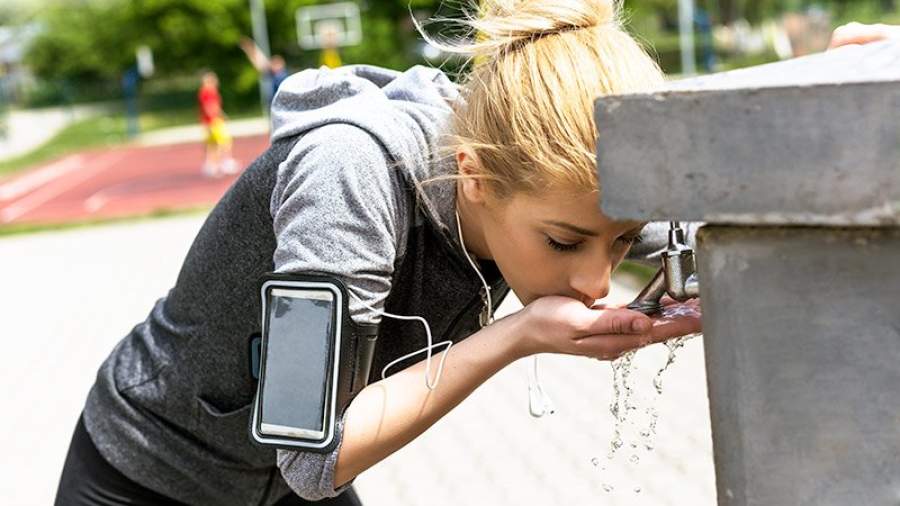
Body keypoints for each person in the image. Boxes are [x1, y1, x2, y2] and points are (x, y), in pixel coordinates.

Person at [53, 2, 893, 505]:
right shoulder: (348, 178)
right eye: (564, 243)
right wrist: (515, 336)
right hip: (149, 479)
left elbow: (708, 220)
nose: (596, 279)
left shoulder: (545, 176)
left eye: (617, 239)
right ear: (473, 174)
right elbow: (312, 455)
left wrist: (828, 99)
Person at [198, 70, 238, 177]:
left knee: (213, 144)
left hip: (210, 121)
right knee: (224, 142)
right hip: (214, 121)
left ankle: (211, 165)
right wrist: (216, 118)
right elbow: (210, 107)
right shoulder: (209, 92)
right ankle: (224, 162)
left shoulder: (204, 91)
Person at [240, 37, 291, 108]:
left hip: (282, 104)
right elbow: (261, 64)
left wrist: (251, 48)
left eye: (274, 64)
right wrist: (251, 50)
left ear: (280, 64)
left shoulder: (281, 76)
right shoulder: (277, 74)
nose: (271, 65)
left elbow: (262, 65)